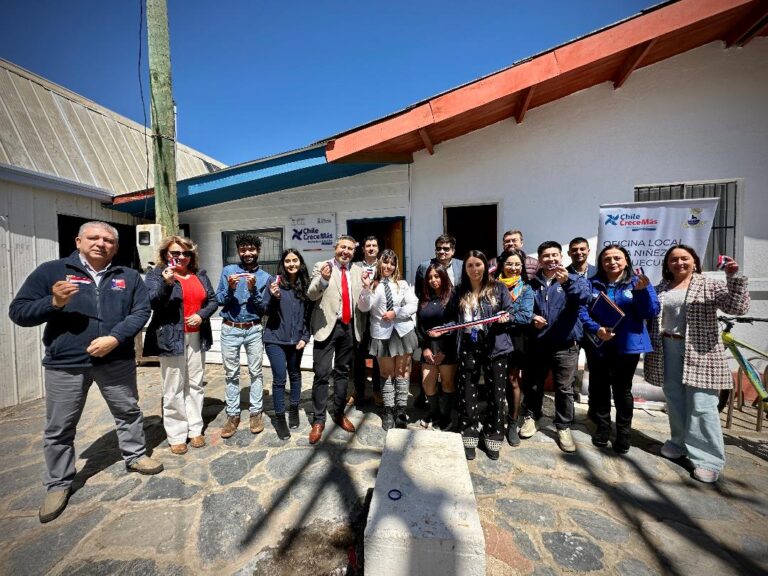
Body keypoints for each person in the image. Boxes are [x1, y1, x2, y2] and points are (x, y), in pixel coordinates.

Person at [9, 221, 163, 524]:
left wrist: (115, 338)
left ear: (115, 247)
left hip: (115, 359)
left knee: (128, 411)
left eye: (108, 240)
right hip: (66, 363)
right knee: (60, 426)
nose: (101, 243)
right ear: (78, 241)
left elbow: (141, 312)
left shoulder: (128, 276)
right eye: (93, 237)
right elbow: (19, 311)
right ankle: (58, 483)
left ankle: (134, 455)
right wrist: (53, 302)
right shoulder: (52, 271)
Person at [644, 245, 749, 483]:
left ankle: (708, 459)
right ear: (667, 264)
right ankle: (678, 443)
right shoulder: (661, 287)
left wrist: (734, 278)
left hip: (700, 349)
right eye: (673, 260)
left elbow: (737, 308)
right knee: (674, 398)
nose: (679, 263)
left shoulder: (708, 284)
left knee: (702, 404)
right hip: (667, 347)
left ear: (694, 261)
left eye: (684, 258)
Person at [579, 245, 659, 453]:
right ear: (601, 262)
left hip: (628, 346)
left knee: (622, 390)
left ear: (626, 260)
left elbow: (650, 311)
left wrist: (641, 293)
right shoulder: (592, 283)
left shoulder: (638, 282)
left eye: (617, 258)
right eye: (607, 259)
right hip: (599, 345)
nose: (612, 262)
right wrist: (597, 329)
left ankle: (624, 432)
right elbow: (582, 311)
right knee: (600, 388)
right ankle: (603, 428)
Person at [144, 236, 218, 455]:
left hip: (197, 335)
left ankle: (195, 429)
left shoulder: (199, 274)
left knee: (195, 383)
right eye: (176, 253)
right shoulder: (156, 275)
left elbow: (212, 300)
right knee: (173, 386)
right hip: (171, 336)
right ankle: (176, 434)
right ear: (166, 254)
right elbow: (153, 302)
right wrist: (166, 284)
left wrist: (201, 315)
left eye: (186, 253)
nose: (182, 257)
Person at [520, 241, 590, 453]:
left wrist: (567, 282)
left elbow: (584, 298)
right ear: (540, 260)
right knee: (534, 384)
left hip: (565, 345)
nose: (551, 259)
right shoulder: (531, 284)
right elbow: (523, 309)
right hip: (539, 343)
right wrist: (532, 317)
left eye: (554, 255)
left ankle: (563, 426)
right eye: (546, 256)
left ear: (561, 257)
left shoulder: (575, 279)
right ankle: (532, 416)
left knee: (564, 389)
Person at [453, 250, 513, 461]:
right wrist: (441, 330)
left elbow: (510, 312)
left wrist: (505, 317)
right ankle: (469, 432)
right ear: (465, 269)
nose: (474, 269)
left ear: (485, 266)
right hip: (469, 344)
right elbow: (454, 319)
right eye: (470, 265)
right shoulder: (459, 290)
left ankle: (493, 434)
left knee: (496, 393)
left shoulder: (498, 288)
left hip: (495, 344)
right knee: (467, 390)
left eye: (478, 264)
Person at [307, 235, 367, 444]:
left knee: (342, 373)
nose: (346, 252)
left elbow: (362, 301)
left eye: (350, 249)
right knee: (322, 374)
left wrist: (368, 288)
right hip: (326, 327)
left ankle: (339, 413)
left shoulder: (358, 271)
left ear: (354, 252)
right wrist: (323, 280)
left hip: (348, 327)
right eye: (343, 247)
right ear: (335, 248)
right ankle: (318, 420)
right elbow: (311, 294)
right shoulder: (321, 266)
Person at [216, 234, 271, 438]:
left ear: (258, 251)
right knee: (231, 374)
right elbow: (219, 299)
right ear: (238, 251)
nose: (247, 253)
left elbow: (264, 308)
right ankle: (233, 414)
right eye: (243, 249)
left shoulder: (265, 277)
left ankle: (256, 412)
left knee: (256, 372)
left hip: (254, 328)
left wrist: (253, 289)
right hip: (230, 328)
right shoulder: (228, 271)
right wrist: (230, 289)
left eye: (251, 249)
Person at [359, 249, 419, 430]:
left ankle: (400, 411)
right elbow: (364, 307)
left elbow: (413, 304)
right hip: (382, 334)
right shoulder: (372, 285)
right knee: (386, 373)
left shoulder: (402, 284)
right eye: (385, 262)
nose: (388, 266)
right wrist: (366, 288)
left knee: (402, 371)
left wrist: (396, 312)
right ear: (379, 263)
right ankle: (388, 410)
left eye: (392, 263)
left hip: (402, 331)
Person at [263, 249, 313, 440]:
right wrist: (273, 296)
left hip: (296, 341)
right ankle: (279, 418)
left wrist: (305, 337)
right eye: (287, 261)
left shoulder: (305, 285)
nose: (291, 264)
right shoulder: (274, 283)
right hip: (274, 339)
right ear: (282, 264)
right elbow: (265, 310)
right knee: (279, 378)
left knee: (295, 374)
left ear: (300, 262)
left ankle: (293, 409)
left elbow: (308, 315)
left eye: (295, 260)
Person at [495, 249, 534, 446]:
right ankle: (495, 418)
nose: (513, 268)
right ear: (502, 265)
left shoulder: (526, 289)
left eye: (517, 264)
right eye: (509, 264)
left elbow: (526, 316)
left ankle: (512, 422)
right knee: (495, 379)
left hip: (516, 340)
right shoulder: (492, 286)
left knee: (512, 381)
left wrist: (506, 317)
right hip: (494, 338)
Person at [416, 263, 459, 430]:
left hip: (447, 348)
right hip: (429, 348)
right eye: (430, 277)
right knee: (427, 383)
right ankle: (434, 412)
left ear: (444, 277)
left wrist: (444, 351)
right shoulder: (424, 298)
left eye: (437, 276)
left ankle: (445, 416)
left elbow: (457, 324)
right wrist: (425, 348)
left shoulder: (452, 297)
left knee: (447, 384)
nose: (433, 280)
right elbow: (419, 325)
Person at [350, 235, 382, 407]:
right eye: (368, 245)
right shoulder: (354, 267)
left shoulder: (383, 265)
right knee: (358, 356)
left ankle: (377, 391)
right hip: (359, 317)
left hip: (378, 318)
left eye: (374, 245)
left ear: (378, 248)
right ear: (362, 249)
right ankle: (359, 391)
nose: (371, 248)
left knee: (377, 356)